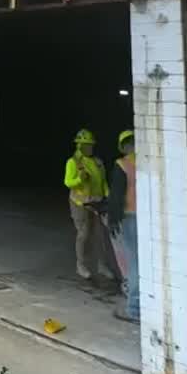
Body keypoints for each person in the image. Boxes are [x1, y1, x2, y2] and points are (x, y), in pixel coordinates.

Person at [63, 128, 119, 287]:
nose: (89, 147)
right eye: (85, 145)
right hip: (80, 204)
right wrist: (79, 179)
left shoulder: (98, 162)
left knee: (101, 235)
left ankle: (102, 265)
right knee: (84, 234)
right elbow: (68, 182)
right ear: (79, 145)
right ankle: (81, 265)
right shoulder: (73, 162)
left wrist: (108, 195)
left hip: (97, 203)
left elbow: (103, 182)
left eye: (90, 145)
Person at [105, 130, 139, 323]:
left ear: (123, 146)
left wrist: (112, 219)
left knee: (134, 261)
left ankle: (134, 308)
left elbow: (116, 195)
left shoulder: (122, 165)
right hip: (148, 216)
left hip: (129, 216)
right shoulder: (147, 162)